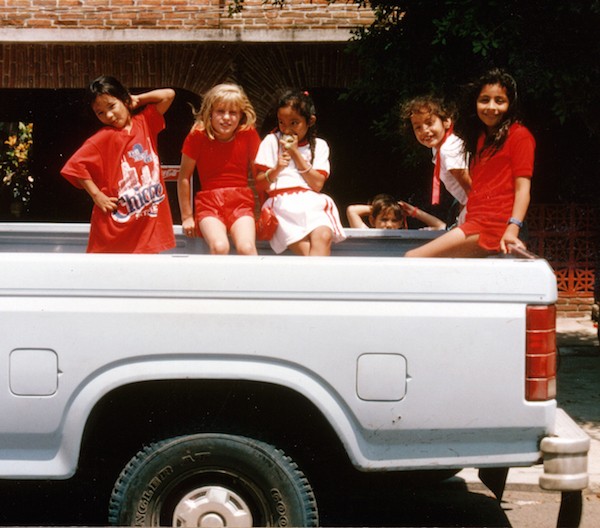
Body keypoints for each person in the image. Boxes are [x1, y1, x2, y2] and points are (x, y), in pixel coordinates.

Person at [406, 68, 535, 258]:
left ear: (511, 104)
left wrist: (513, 228)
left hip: (493, 226)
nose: (491, 107)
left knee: (412, 258)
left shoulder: (520, 136)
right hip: (476, 221)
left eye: (499, 101)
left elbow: (522, 189)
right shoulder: (481, 139)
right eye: (484, 100)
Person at [61, 75, 176, 253]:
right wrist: (96, 195)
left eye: (112, 106)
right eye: (100, 112)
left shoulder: (145, 122)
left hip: (145, 225)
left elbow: (168, 95)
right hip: (115, 227)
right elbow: (76, 166)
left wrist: (136, 100)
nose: (109, 115)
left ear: (124, 99)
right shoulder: (104, 136)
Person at [254, 90, 346, 256]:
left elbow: (317, 184)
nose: (287, 129)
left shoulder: (320, 145)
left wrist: (295, 153)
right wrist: (277, 169)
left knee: (324, 236)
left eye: (294, 123)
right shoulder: (271, 141)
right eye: (282, 123)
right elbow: (260, 184)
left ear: (310, 121)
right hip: (282, 205)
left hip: (311, 202)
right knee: (306, 253)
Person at [177, 83, 260, 255]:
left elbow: (259, 175)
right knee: (220, 246)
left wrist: (266, 208)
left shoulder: (248, 134)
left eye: (233, 112)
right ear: (210, 113)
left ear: (241, 115)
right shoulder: (197, 136)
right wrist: (187, 216)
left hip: (240, 202)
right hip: (209, 204)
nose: (226, 117)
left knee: (247, 248)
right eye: (220, 111)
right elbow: (184, 177)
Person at [401, 95, 470, 226]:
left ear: (446, 122)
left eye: (429, 123)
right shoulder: (438, 149)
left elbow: (471, 188)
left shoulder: (449, 150)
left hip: (482, 206)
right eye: (418, 127)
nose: (424, 131)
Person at [346, 193, 445, 230]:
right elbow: (352, 210)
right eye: (384, 219)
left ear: (401, 222)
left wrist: (414, 212)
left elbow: (441, 227)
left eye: (394, 220)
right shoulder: (366, 235)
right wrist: (380, 208)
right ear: (372, 221)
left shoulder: (408, 238)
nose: (389, 225)